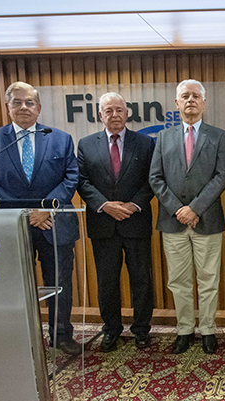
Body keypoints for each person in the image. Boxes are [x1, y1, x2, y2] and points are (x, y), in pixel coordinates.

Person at [0, 81, 81, 355]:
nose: (24, 107)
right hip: (12, 226)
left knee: (59, 282)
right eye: (17, 102)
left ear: (39, 108)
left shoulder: (60, 138)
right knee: (13, 283)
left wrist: (46, 208)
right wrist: (27, 214)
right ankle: (18, 335)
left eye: (29, 102)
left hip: (53, 222)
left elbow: (71, 177)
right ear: (7, 106)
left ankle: (60, 334)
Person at [149, 79, 225, 355]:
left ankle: (207, 328)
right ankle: (184, 329)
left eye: (196, 96)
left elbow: (222, 177)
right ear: (177, 103)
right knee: (179, 280)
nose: (191, 100)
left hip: (207, 219)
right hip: (173, 222)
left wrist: (195, 208)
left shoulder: (218, 136)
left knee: (208, 279)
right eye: (185, 96)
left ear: (204, 103)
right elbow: (155, 178)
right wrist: (179, 210)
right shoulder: (162, 137)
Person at [77, 92, 155, 352]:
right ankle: (111, 329)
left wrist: (133, 205)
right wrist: (105, 205)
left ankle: (142, 329)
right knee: (107, 281)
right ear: (100, 115)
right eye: (108, 111)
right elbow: (83, 182)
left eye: (119, 110)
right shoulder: (86, 144)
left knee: (141, 280)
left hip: (136, 221)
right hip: (103, 224)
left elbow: (151, 180)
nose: (114, 115)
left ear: (127, 113)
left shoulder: (145, 143)